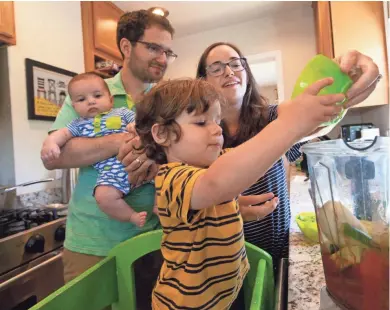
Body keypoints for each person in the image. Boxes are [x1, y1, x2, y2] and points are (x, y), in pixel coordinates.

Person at [134, 77, 345, 309]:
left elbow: (256, 155)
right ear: (162, 134)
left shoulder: (210, 165)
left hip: (221, 298)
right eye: (202, 122)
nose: (216, 129)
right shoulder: (171, 178)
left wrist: (234, 211)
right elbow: (217, 184)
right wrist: (290, 123)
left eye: (217, 120)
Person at [193, 42, 382, 266]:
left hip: (277, 252)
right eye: (216, 68)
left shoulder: (274, 118)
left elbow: (315, 117)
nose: (228, 71)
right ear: (203, 82)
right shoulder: (196, 137)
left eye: (236, 64)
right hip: (223, 262)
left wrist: (349, 82)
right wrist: (224, 210)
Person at [41, 9, 175, 308]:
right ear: (126, 47)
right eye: (154, 48)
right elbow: (55, 155)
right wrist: (120, 142)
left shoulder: (168, 99)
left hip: (155, 238)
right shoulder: (91, 94)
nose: (163, 59)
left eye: (167, 51)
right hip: (93, 243)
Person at [41, 73, 147, 227]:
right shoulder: (78, 124)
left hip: (142, 166)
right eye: (81, 99)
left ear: (110, 100)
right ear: (74, 106)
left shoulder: (122, 112)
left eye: (97, 96)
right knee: (103, 197)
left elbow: (141, 124)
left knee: (164, 175)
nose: (90, 101)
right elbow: (61, 135)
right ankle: (131, 216)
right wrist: (50, 143)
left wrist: (135, 126)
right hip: (112, 171)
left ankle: (157, 206)